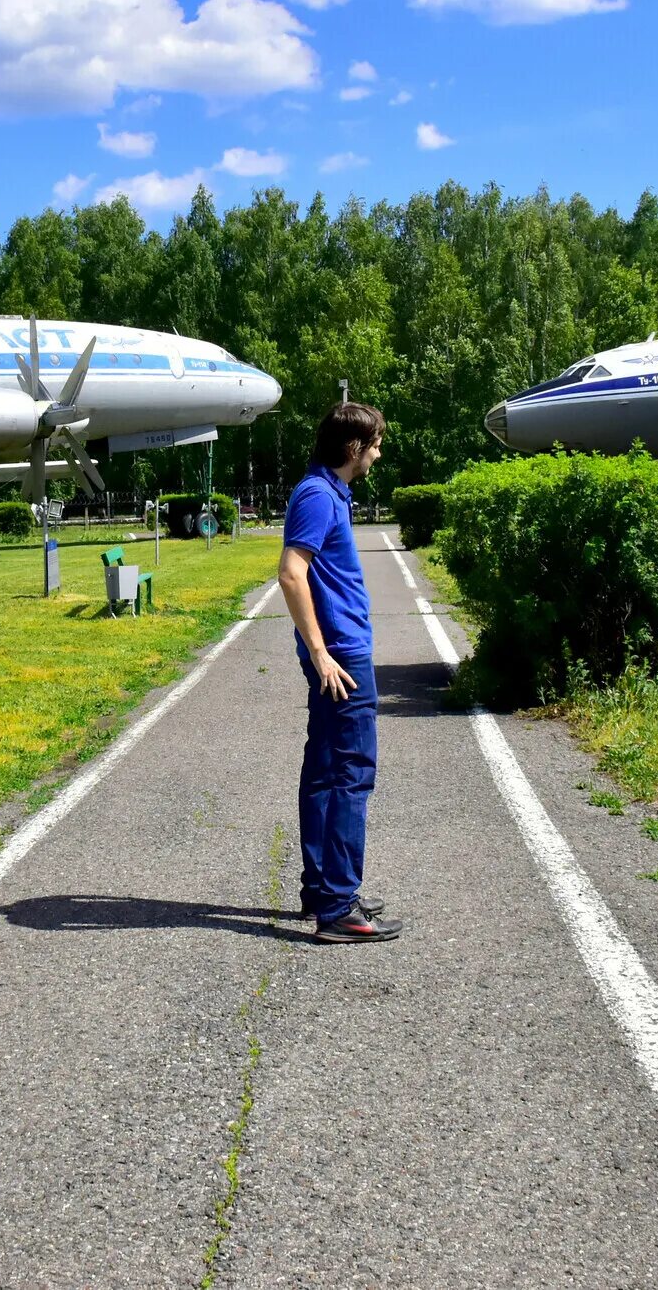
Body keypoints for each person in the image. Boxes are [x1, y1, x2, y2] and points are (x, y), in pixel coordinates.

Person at [276, 401, 403, 944]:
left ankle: (324, 891)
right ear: (353, 448)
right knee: (351, 773)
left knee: (327, 770)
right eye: (374, 443)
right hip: (342, 657)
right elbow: (291, 574)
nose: (378, 452)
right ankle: (339, 906)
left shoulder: (327, 493)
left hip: (339, 652)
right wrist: (323, 653)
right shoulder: (317, 496)